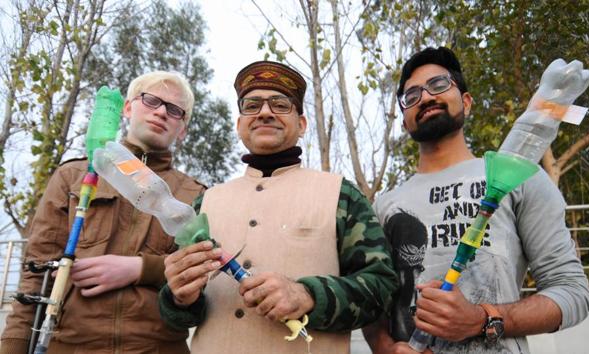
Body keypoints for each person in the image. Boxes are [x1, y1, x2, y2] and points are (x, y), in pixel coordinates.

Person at [362, 47, 589, 353]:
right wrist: (384, 347)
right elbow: (373, 300)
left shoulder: (522, 176)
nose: (427, 97)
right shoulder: (384, 205)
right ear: (404, 121)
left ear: (466, 102)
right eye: (412, 95)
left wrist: (483, 319)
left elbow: (573, 292)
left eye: (440, 85)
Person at [158, 60, 398, 354]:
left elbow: (382, 286)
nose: (265, 112)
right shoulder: (205, 203)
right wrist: (179, 297)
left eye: (280, 104)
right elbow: (177, 314)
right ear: (239, 125)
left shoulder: (341, 194)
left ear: (302, 124)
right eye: (252, 104)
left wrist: (308, 295)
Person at [1, 71, 206, 354]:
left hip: (157, 347)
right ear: (127, 107)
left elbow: (204, 275)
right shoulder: (73, 175)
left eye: (174, 110)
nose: (160, 112)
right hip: (70, 345)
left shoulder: (197, 194)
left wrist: (140, 269)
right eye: (151, 100)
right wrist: (12, 346)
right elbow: (36, 272)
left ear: (182, 129)